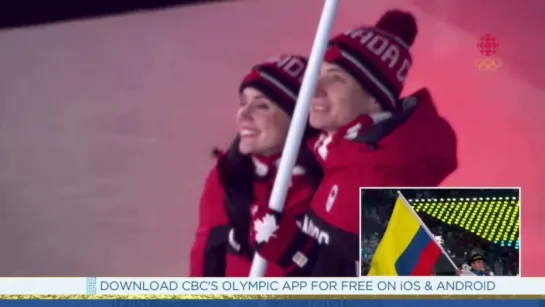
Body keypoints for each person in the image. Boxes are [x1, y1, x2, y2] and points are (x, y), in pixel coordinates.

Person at [250, 10, 458, 276]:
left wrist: (296, 252)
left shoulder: (384, 180)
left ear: (374, 98)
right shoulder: (341, 153)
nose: (314, 87)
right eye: (318, 73)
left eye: (335, 78)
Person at [189, 55, 322, 277]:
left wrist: (296, 253)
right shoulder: (228, 175)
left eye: (261, 106)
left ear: (299, 118)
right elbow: (207, 257)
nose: (244, 114)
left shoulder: (328, 176)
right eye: (243, 102)